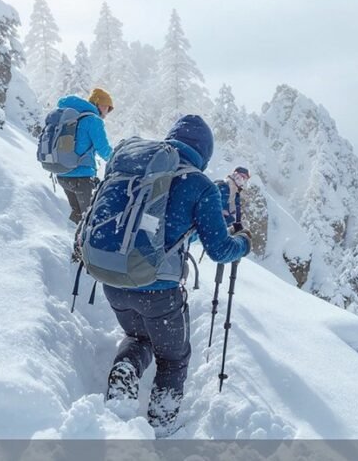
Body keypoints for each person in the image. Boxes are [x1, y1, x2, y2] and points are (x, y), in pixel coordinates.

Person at [103, 115, 251, 437]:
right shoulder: (201, 185)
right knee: (173, 357)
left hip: (113, 280)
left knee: (139, 337)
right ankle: (162, 427)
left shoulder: (142, 169)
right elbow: (221, 249)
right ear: (204, 153)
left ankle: (126, 371)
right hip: (159, 294)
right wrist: (243, 243)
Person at [56, 87, 114, 224]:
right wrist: (117, 160)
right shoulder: (93, 120)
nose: (107, 112)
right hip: (81, 178)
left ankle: (71, 241)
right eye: (106, 107)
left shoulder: (73, 116)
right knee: (88, 218)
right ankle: (82, 244)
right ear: (97, 104)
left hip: (63, 174)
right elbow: (103, 149)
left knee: (77, 215)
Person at [216, 167, 251, 232]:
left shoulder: (236, 194)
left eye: (245, 179)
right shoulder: (223, 185)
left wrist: (238, 225)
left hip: (222, 229)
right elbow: (219, 209)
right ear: (235, 174)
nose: (243, 180)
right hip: (213, 226)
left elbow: (236, 213)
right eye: (242, 176)